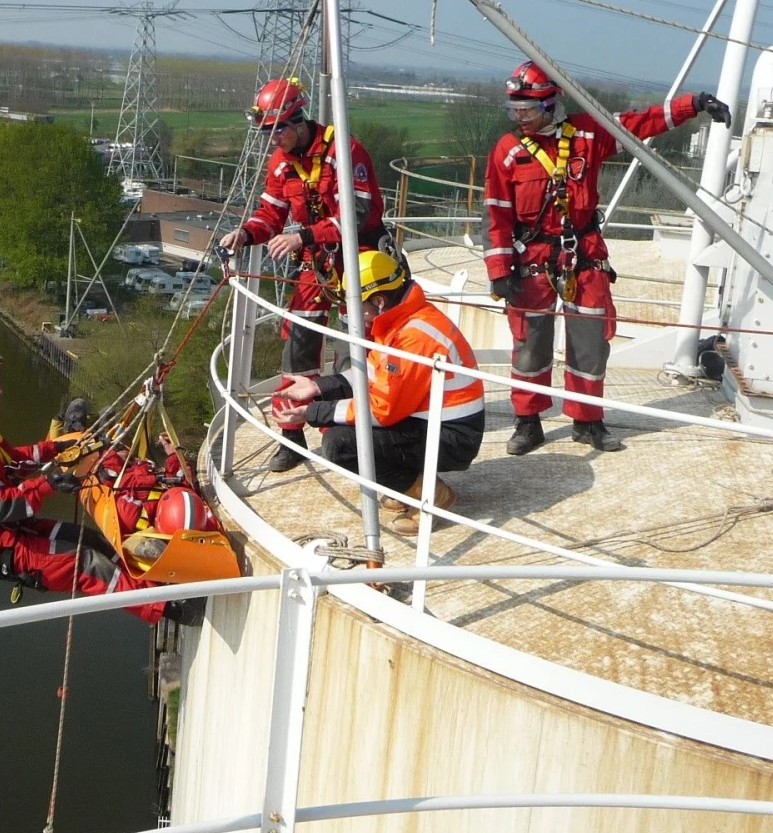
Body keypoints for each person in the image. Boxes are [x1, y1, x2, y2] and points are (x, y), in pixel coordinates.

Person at [484, 61, 730, 455]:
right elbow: (496, 213)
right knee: (529, 344)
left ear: (550, 105)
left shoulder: (588, 133)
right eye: (514, 111)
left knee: (591, 343)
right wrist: (498, 270)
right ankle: (527, 422)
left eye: (526, 110)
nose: (520, 118)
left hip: (583, 254)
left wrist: (694, 104)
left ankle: (587, 421)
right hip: (532, 256)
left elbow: (641, 122)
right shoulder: (508, 151)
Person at [0, 348, 198, 624]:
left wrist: (59, 447)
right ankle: (173, 609)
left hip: (10, 530)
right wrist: (48, 484)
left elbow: (15, 460)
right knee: (86, 564)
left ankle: (153, 587)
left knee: (92, 540)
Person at [218, 76, 387, 472]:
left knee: (356, 348)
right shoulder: (281, 162)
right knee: (296, 346)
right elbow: (271, 213)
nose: (272, 141)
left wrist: (305, 236)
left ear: (296, 122)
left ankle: (349, 431)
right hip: (317, 263)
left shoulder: (344, 151)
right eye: (267, 134)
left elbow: (359, 214)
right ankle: (291, 436)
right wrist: (246, 234)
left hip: (358, 259)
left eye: (276, 132)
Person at [279, 251, 484, 536]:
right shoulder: (403, 319)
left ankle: (432, 496)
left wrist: (313, 412)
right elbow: (374, 373)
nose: (355, 315)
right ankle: (409, 485)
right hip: (438, 424)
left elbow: (381, 410)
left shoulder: (413, 337)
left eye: (358, 307)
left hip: (453, 437)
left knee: (341, 444)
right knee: (345, 428)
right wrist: (319, 387)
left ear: (378, 301)